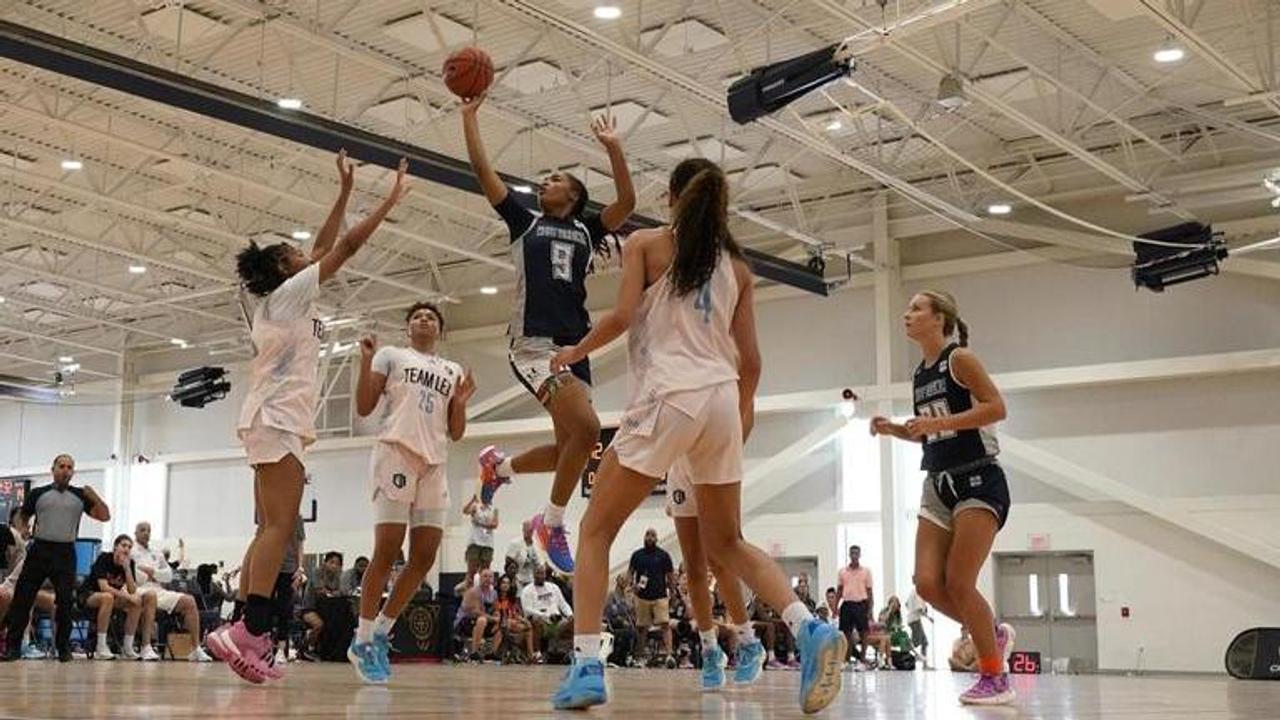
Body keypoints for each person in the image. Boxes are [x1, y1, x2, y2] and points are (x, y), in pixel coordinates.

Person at [547, 158, 845, 713]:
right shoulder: (737, 266)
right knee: (727, 542)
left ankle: (587, 663)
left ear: (670, 197)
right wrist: (737, 422)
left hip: (669, 395)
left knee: (594, 529)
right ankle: (809, 628)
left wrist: (572, 354)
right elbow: (752, 363)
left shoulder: (648, 244)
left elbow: (619, 318)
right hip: (723, 402)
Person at [207, 151, 409, 685]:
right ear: (282, 269)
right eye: (294, 253)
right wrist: (387, 200)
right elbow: (342, 247)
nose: (306, 254)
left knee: (268, 529)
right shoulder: (290, 295)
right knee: (280, 528)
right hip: (277, 419)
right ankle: (251, 629)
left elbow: (321, 246)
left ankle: (236, 629)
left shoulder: (289, 295)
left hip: (270, 420)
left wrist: (343, 191)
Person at [461, 94, 636, 576]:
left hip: (575, 347)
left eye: (556, 179)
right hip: (534, 344)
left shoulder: (587, 230)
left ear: (575, 196)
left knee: (570, 452)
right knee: (585, 431)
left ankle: (500, 469)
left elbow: (627, 203)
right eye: (545, 179)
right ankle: (551, 523)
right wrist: (469, 119)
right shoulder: (526, 223)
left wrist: (614, 148)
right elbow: (484, 174)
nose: (545, 182)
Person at [871, 290, 1016, 705]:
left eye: (916, 308)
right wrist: (895, 429)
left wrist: (947, 420)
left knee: (959, 580)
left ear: (940, 319)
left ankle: (995, 677)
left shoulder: (960, 360)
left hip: (978, 478)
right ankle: (993, 632)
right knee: (928, 584)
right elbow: (935, 430)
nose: (907, 314)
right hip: (937, 483)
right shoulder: (920, 374)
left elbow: (996, 407)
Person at [349, 300, 473, 684]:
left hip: (434, 461)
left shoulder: (451, 371)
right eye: (417, 316)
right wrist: (363, 363)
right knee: (387, 549)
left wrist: (463, 402)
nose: (424, 320)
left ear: (439, 329)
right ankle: (363, 638)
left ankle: (383, 632)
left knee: (423, 558)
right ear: (408, 328)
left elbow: (456, 432)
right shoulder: (391, 355)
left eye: (431, 317)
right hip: (396, 451)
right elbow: (365, 406)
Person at [2, 454, 110, 662]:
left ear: (73, 472)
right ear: (53, 469)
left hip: (65, 552)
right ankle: (13, 647)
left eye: (70, 467)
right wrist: (23, 528)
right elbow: (23, 515)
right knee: (22, 599)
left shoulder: (80, 495)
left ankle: (63, 649)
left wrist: (94, 496)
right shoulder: (38, 493)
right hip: (40, 549)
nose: (65, 470)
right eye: (61, 466)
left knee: (65, 602)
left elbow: (104, 516)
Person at [131, 521, 211, 661]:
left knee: (189, 601)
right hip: (139, 590)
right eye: (142, 530)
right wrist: (155, 574)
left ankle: (196, 649)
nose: (146, 533)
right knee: (151, 596)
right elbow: (138, 577)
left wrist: (152, 572)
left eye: (148, 530)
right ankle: (146, 646)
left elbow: (168, 576)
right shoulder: (131, 550)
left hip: (159, 589)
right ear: (135, 533)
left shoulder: (156, 553)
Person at [81, 534, 156, 661]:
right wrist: (127, 596)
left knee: (136, 602)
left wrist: (127, 569)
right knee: (108, 597)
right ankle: (101, 647)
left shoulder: (129, 563)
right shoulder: (104, 558)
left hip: (111, 598)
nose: (126, 549)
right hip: (89, 595)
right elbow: (104, 587)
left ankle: (127, 648)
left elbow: (132, 590)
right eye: (123, 545)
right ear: (115, 547)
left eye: (129, 547)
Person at [627, 528, 676, 666]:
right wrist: (631, 586)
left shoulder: (664, 555)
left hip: (660, 596)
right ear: (644, 537)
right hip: (642, 597)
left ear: (657, 538)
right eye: (647, 535)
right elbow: (630, 572)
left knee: (665, 624)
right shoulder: (637, 555)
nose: (650, 537)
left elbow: (670, 575)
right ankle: (640, 657)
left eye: (653, 535)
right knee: (642, 627)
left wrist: (672, 592)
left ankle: (669, 655)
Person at [521, 564, 573, 659]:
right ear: (533, 574)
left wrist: (570, 615)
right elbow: (527, 609)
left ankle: (568, 653)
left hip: (557, 621)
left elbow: (563, 604)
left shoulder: (554, 587)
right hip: (541, 620)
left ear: (545, 575)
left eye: (542, 573)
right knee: (535, 621)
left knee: (573, 622)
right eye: (538, 573)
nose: (540, 576)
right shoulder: (527, 590)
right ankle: (537, 653)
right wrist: (545, 616)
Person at [837, 545, 873, 667]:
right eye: (852, 553)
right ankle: (846, 660)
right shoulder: (842, 571)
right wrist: (835, 607)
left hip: (861, 604)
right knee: (846, 634)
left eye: (856, 553)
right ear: (849, 554)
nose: (854, 555)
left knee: (863, 633)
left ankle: (862, 661)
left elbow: (869, 591)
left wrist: (870, 609)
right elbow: (839, 590)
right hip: (847, 604)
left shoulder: (866, 571)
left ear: (859, 555)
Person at [456, 569, 501, 662]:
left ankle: (493, 653)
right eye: (485, 576)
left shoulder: (494, 593)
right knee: (482, 620)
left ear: (493, 579)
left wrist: (497, 618)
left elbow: (496, 609)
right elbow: (476, 612)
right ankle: (474, 652)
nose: (488, 579)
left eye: (490, 576)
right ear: (480, 578)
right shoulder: (473, 592)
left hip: (485, 619)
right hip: (466, 620)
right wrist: (493, 619)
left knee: (502, 624)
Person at [494, 574, 534, 663]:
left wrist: (524, 620)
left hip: (512, 622)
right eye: (503, 582)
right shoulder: (495, 597)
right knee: (508, 622)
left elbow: (515, 614)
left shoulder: (512, 599)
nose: (505, 585)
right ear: (499, 584)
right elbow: (496, 614)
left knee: (528, 627)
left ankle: (531, 655)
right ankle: (507, 653)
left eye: (507, 583)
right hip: (500, 623)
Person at [461, 495, 498, 590]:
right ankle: (469, 591)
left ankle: (484, 592)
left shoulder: (494, 509)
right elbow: (465, 511)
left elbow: (494, 524)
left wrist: (479, 523)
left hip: (488, 543)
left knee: (485, 570)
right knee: (472, 570)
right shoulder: (476, 506)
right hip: (475, 541)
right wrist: (472, 500)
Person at [504, 520, 541, 590]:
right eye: (526, 530)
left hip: (531, 579)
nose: (528, 532)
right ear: (523, 530)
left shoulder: (536, 544)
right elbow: (508, 561)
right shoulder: (515, 543)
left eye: (530, 530)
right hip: (518, 579)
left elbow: (538, 563)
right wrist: (512, 578)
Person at [904, 590, 930, 667]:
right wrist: (929, 617)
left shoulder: (912, 592)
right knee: (915, 643)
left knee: (924, 642)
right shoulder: (918, 593)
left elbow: (906, 604)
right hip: (915, 620)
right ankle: (907, 657)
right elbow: (919, 609)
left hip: (913, 619)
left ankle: (924, 664)